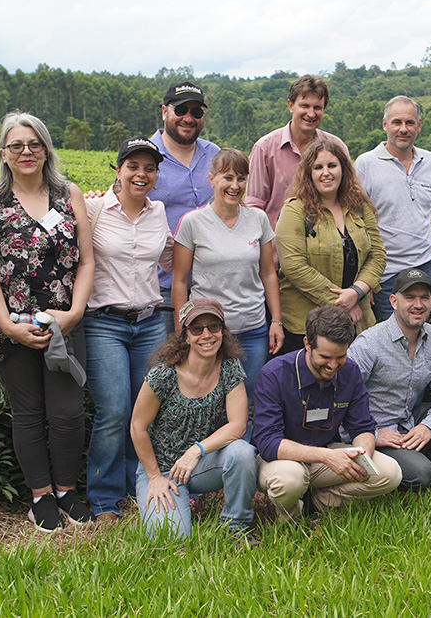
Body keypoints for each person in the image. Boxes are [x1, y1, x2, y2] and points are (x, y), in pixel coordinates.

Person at [0, 112, 95, 532]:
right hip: (13, 325)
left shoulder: (69, 193)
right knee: (27, 413)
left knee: (67, 412)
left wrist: (75, 312)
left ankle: (66, 490)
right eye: (16, 146)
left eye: (34, 144)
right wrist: (7, 325)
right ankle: (40, 496)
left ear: (46, 148)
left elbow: (86, 261)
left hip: (63, 320)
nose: (26, 152)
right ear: (3, 154)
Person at [82, 136, 173, 523]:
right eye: (133, 166)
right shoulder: (92, 209)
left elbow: (171, 256)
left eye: (149, 168)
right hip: (104, 323)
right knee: (114, 409)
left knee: (147, 410)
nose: (141, 174)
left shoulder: (159, 212)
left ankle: (142, 485)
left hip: (150, 322)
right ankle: (103, 497)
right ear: (117, 170)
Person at [253, 305, 403, 522]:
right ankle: (291, 521)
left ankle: (317, 502)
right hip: (281, 460)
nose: (333, 366)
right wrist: (328, 457)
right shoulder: (274, 374)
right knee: (290, 479)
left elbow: (362, 427)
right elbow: (268, 442)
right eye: (325, 357)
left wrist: (363, 457)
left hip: (326, 454)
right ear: (307, 343)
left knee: (390, 473)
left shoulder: (350, 371)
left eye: (340, 356)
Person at [130, 299, 258, 539]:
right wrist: (154, 476)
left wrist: (196, 450)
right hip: (164, 470)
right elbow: (138, 427)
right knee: (169, 540)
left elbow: (238, 425)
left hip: (202, 463)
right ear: (185, 336)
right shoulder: (164, 374)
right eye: (197, 329)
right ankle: (173, 502)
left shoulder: (230, 368)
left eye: (213, 327)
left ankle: (235, 528)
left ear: (222, 332)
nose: (206, 335)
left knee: (242, 453)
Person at [347, 268, 431, 490]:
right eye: (409, 297)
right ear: (393, 301)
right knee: (420, 473)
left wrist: (428, 425)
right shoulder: (369, 344)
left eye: (424, 298)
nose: (417, 304)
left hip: (409, 421)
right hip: (377, 432)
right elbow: (341, 399)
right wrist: (372, 435)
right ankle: (417, 472)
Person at [173, 148, 284, 413]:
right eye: (227, 177)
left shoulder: (258, 219)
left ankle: (245, 453)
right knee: (209, 401)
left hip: (253, 329)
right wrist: (182, 329)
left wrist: (276, 320)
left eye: (241, 179)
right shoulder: (192, 222)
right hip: (208, 333)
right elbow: (179, 280)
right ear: (212, 179)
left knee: (249, 399)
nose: (235, 186)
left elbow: (268, 273)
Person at [275, 139, 385, 353]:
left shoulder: (359, 207)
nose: (326, 172)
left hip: (359, 323)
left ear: (343, 169)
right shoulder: (295, 210)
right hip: (307, 326)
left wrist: (356, 292)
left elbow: (378, 254)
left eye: (332, 166)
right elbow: (293, 266)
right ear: (309, 173)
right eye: (318, 167)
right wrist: (342, 302)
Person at [354, 96, 431, 322]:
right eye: (397, 122)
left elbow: (427, 217)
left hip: (426, 265)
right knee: (389, 338)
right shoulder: (365, 164)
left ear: (419, 126)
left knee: (422, 332)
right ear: (385, 125)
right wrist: (366, 278)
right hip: (385, 272)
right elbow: (355, 225)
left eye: (410, 123)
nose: (403, 129)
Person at [149, 82, 219, 316]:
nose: (188, 118)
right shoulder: (145, 158)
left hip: (211, 284)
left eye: (196, 112)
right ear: (164, 112)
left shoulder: (214, 154)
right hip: (162, 288)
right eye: (180, 110)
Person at [248, 75, 350, 227]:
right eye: (304, 106)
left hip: (328, 245)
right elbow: (254, 206)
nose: (311, 113)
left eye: (317, 107)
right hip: (279, 247)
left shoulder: (337, 147)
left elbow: (348, 196)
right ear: (291, 105)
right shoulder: (264, 149)